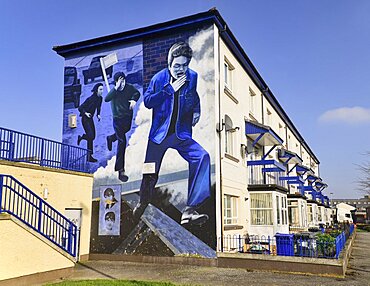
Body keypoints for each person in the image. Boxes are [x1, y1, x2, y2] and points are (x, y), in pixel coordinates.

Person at [133, 42, 210, 226]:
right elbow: (148, 101)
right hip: (159, 135)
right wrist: (170, 90)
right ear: (169, 63)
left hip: (180, 133)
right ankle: (143, 202)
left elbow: (194, 95)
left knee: (202, 157)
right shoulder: (159, 79)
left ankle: (190, 210)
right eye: (177, 66)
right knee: (150, 173)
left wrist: (197, 110)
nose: (181, 70)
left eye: (184, 65)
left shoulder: (192, 77)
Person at [105, 72, 140, 182]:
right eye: (120, 81)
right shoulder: (114, 92)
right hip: (118, 120)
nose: (122, 83)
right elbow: (106, 98)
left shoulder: (129, 88)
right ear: (116, 82)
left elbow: (137, 93)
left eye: (123, 80)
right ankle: (121, 170)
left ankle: (111, 138)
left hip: (127, 117)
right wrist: (116, 87)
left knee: (127, 130)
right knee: (122, 142)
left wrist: (134, 100)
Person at [77, 83, 103, 162]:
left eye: (102, 89)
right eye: (100, 89)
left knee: (93, 137)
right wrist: (86, 113)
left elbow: (98, 107)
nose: (102, 91)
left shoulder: (100, 98)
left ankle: (82, 138)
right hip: (85, 119)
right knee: (91, 136)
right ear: (96, 90)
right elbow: (80, 107)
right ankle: (89, 156)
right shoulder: (90, 99)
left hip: (90, 119)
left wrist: (98, 114)